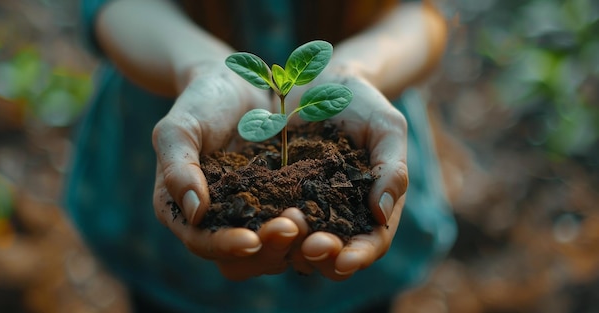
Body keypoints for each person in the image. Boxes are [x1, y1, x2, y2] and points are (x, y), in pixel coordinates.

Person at [65, 0, 457, 312]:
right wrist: (198, 66)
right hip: (163, 247)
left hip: (357, 272)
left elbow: (419, 11)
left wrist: (357, 70)